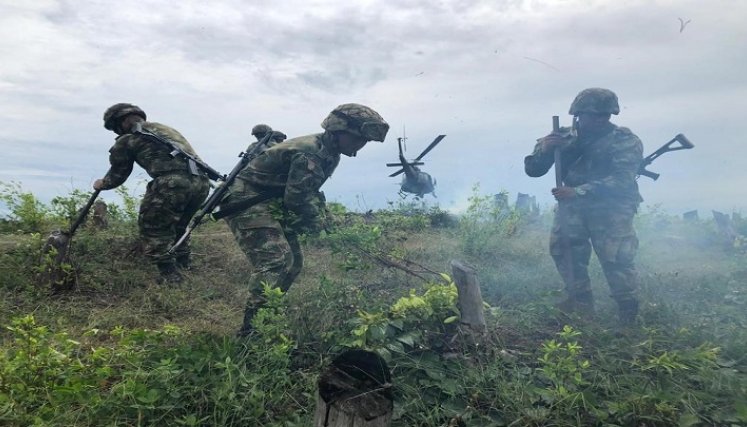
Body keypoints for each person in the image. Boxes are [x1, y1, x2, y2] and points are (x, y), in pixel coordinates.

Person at [222, 103, 389, 336]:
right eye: (359, 138)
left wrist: (330, 223)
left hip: (269, 201)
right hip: (246, 199)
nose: (361, 145)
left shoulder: (330, 152)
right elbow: (298, 200)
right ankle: (252, 332)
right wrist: (320, 229)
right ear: (339, 130)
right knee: (276, 261)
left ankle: (269, 313)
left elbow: (312, 192)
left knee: (294, 262)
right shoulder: (310, 151)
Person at [524, 88, 643, 325]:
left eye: (605, 115)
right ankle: (581, 308)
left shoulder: (625, 140)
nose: (600, 120)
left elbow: (622, 180)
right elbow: (533, 171)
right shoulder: (561, 137)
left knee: (616, 259)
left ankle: (628, 318)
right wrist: (546, 150)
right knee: (565, 252)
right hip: (572, 208)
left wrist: (578, 191)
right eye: (593, 115)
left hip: (610, 208)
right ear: (578, 114)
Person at [94, 103, 211, 283]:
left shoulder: (129, 139)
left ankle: (169, 274)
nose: (117, 133)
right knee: (180, 224)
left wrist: (103, 184)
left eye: (115, 128)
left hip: (172, 183)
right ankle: (184, 263)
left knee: (153, 226)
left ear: (122, 121)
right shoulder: (167, 130)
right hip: (201, 183)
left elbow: (118, 173)